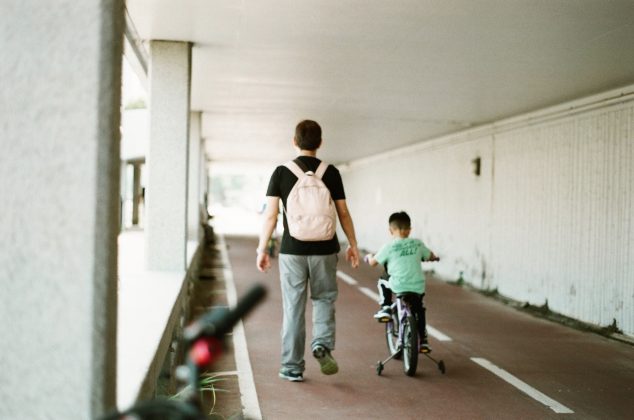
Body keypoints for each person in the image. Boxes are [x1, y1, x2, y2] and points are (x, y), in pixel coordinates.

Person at [256, 119, 360, 382]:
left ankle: (292, 366)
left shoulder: (281, 172)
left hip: (292, 250)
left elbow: (271, 216)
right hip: (325, 249)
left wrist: (262, 248)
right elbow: (343, 212)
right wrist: (353, 245)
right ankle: (321, 344)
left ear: (294, 141)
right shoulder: (331, 172)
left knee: (293, 307)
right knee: (324, 298)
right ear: (320, 143)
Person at [364, 211, 438, 353]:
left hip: (398, 285)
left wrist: (368, 257)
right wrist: (434, 258)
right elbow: (430, 256)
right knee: (419, 310)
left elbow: (373, 263)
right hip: (417, 286)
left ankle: (385, 307)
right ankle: (423, 341)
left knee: (383, 280)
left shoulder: (389, 247)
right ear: (409, 229)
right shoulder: (417, 244)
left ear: (391, 230)